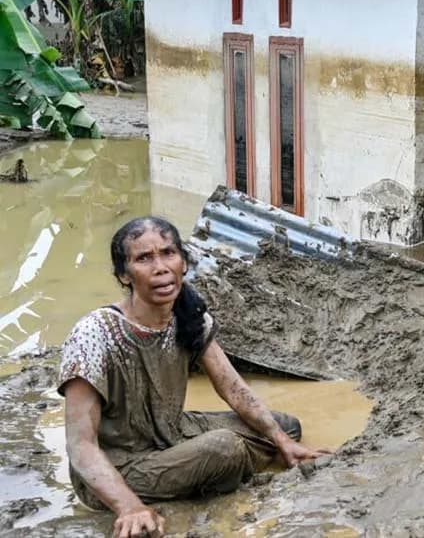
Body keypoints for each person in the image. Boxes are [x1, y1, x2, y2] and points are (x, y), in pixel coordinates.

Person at [59, 216, 328, 538]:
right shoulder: (94, 333)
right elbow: (80, 445)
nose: (160, 267)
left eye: (168, 253)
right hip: (119, 467)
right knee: (225, 448)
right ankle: (197, 472)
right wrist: (129, 507)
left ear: (183, 262)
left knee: (286, 426)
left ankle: (199, 468)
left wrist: (282, 442)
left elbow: (232, 387)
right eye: (144, 258)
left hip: (170, 434)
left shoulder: (189, 317)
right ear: (123, 275)